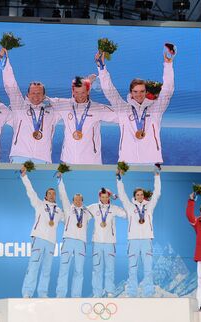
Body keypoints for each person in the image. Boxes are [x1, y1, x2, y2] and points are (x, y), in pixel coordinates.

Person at [95, 44, 175, 164]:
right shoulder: (123, 109)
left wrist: (168, 65)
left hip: (152, 161)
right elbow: (110, 91)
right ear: (131, 93)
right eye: (135, 92)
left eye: (142, 91)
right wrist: (101, 68)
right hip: (126, 161)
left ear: (146, 92)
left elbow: (167, 90)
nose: (139, 94)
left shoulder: (155, 109)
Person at [0, 48, 60, 164]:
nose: (36, 96)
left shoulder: (53, 112)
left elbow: (74, 102)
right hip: (19, 157)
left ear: (44, 96)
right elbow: (10, 85)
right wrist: (5, 62)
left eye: (39, 93)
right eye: (33, 93)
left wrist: (87, 84)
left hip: (43, 159)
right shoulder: (19, 107)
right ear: (27, 95)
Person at [50, 76, 118, 164]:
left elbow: (121, 116)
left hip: (91, 161)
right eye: (77, 92)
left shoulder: (98, 109)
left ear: (88, 91)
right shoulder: (64, 105)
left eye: (83, 92)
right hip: (68, 160)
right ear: (72, 92)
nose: (80, 96)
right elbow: (42, 99)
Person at [116, 166, 161, 297]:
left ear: (144, 196)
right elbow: (122, 195)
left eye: (141, 194)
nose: (140, 196)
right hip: (133, 240)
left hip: (147, 240)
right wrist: (119, 179)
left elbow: (157, 193)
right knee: (132, 268)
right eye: (137, 194)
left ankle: (148, 292)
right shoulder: (130, 207)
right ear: (134, 196)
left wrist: (157, 176)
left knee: (148, 269)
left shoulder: (149, 206)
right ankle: (132, 292)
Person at [20, 167, 64, 297]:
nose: (52, 195)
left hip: (51, 242)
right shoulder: (39, 204)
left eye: (53, 193)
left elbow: (69, 221)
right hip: (38, 238)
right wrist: (24, 177)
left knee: (47, 269)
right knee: (34, 266)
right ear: (45, 196)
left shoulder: (59, 211)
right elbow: (31, 191)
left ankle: (42, 293)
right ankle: (27, 292)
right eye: (49, 193)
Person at [87, 187, 126, 297]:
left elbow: (126, 215)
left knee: (110, 268)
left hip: (110, 242)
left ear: (109, 197)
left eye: (106, 197)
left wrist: (121, 200)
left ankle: (110, 291)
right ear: (99, 197)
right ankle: (97, 293)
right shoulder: (93, 207)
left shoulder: (114, 208)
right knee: (97, 269)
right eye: (102, 197)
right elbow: (82, 215)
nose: (104, 199)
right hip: (97, 242)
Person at [55, 172, 89, 297]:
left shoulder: (87, 212)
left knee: (79, 271)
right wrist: (60, 180)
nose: (78, 201)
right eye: (76, 199)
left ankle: (76, 296)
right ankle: (60, 295)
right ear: (73, 201)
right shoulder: (68, 209)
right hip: (68, 241)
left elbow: (102, 210)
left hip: (81, 243)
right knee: (64, 269)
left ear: (83, 201)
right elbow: (63, 195)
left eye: (80, 200)